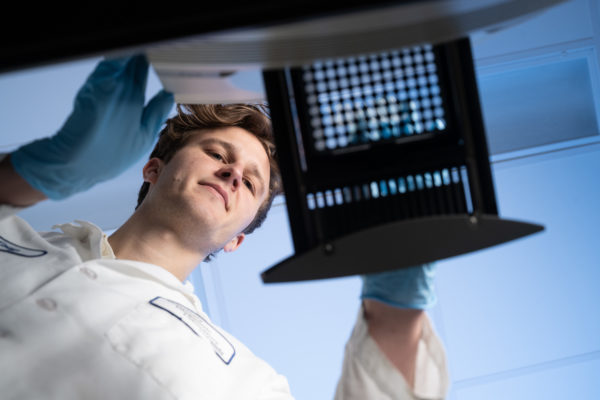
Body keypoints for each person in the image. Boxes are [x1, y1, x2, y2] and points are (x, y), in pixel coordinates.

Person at [0, 55, 448, 399]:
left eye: (251, 183)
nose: (234, 174)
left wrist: (397, 306)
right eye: (217, 154)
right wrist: (29, 173)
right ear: (153, 168)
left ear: (238, 238)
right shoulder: (13, 238)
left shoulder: (241, 378)